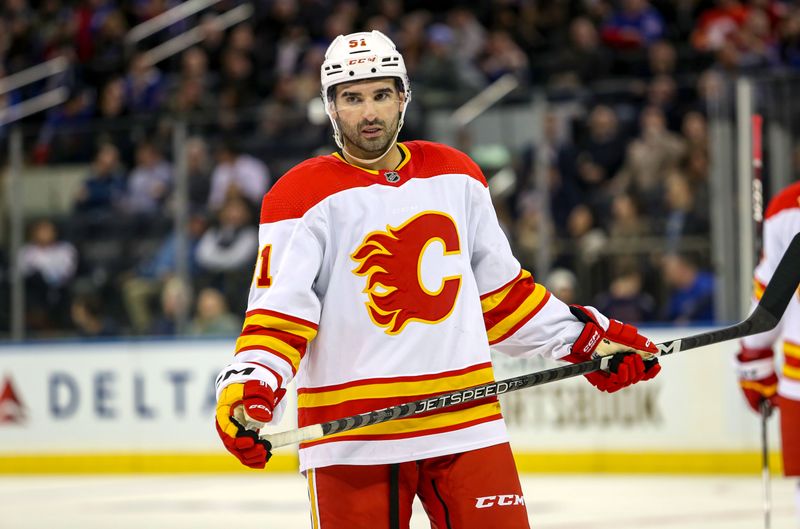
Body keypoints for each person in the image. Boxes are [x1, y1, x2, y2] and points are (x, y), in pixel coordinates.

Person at [214, 31, 661, 529]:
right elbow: (279, 317)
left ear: (404, 96)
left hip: (465, 426)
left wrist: (587, 339)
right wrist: (250, 385)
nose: (369, 113)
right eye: (352, 98)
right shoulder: (299, 195)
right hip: (355, 440)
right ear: (330, 106)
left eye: (382, 94)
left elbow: (503, 300)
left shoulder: (457, 175)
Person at [734, 180, 800, 523]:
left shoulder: (789, 208)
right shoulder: (787, 208)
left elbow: (768, 305)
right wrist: (753, 358)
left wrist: (754, 359)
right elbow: (771, 300)